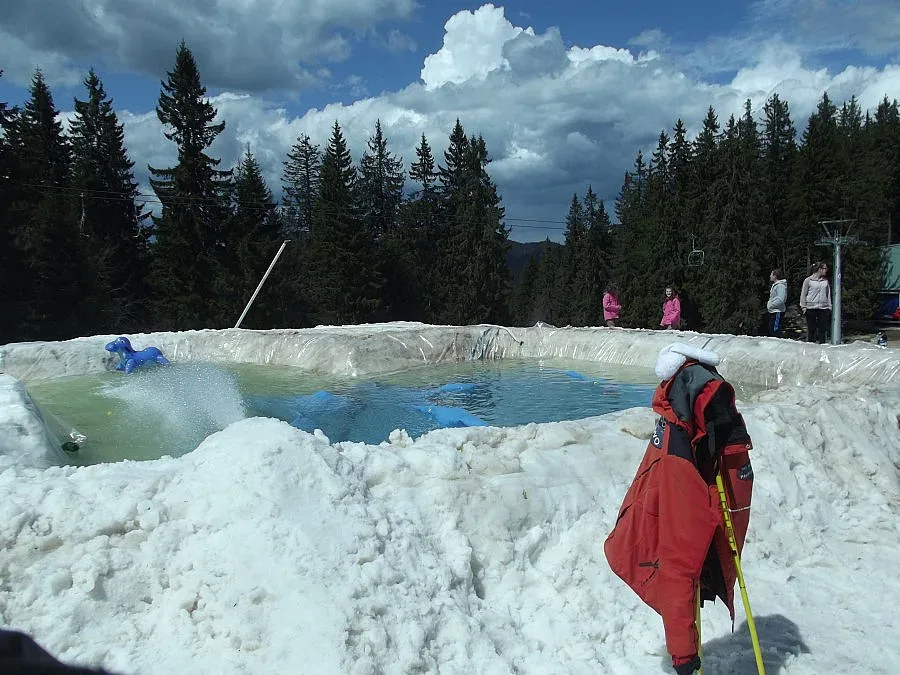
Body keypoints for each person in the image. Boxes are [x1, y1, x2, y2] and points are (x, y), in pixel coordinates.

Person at [604, 344, 756, 675]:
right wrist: (684, 658)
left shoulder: (676, 422)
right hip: (688, 484)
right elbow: (678, 566)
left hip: (696, 474)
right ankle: (685, 651)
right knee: (680, 566)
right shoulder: (679, 450)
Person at [800, 262, 832, 343]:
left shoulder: (825, 281)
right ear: (819, 269)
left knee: (822, 329)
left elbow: (828, 294)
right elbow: (803, 294)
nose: (826, 270)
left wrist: (829, 306)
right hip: (811, 307)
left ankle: (822, 346)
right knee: (812, 329)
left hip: (823, 308)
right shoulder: (808, 280)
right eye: (824, 268)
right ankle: (811, 347)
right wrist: (803, 307)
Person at [766, 269, 787, 337]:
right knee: (771, 330)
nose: (770, 276)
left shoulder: (780, 286)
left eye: (771, 274)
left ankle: (780, 345)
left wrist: (771, 305)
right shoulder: (775, 285)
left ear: (775, 276)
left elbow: (780, 299)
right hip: (773, 311)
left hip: (777, 311)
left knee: (775, 331)